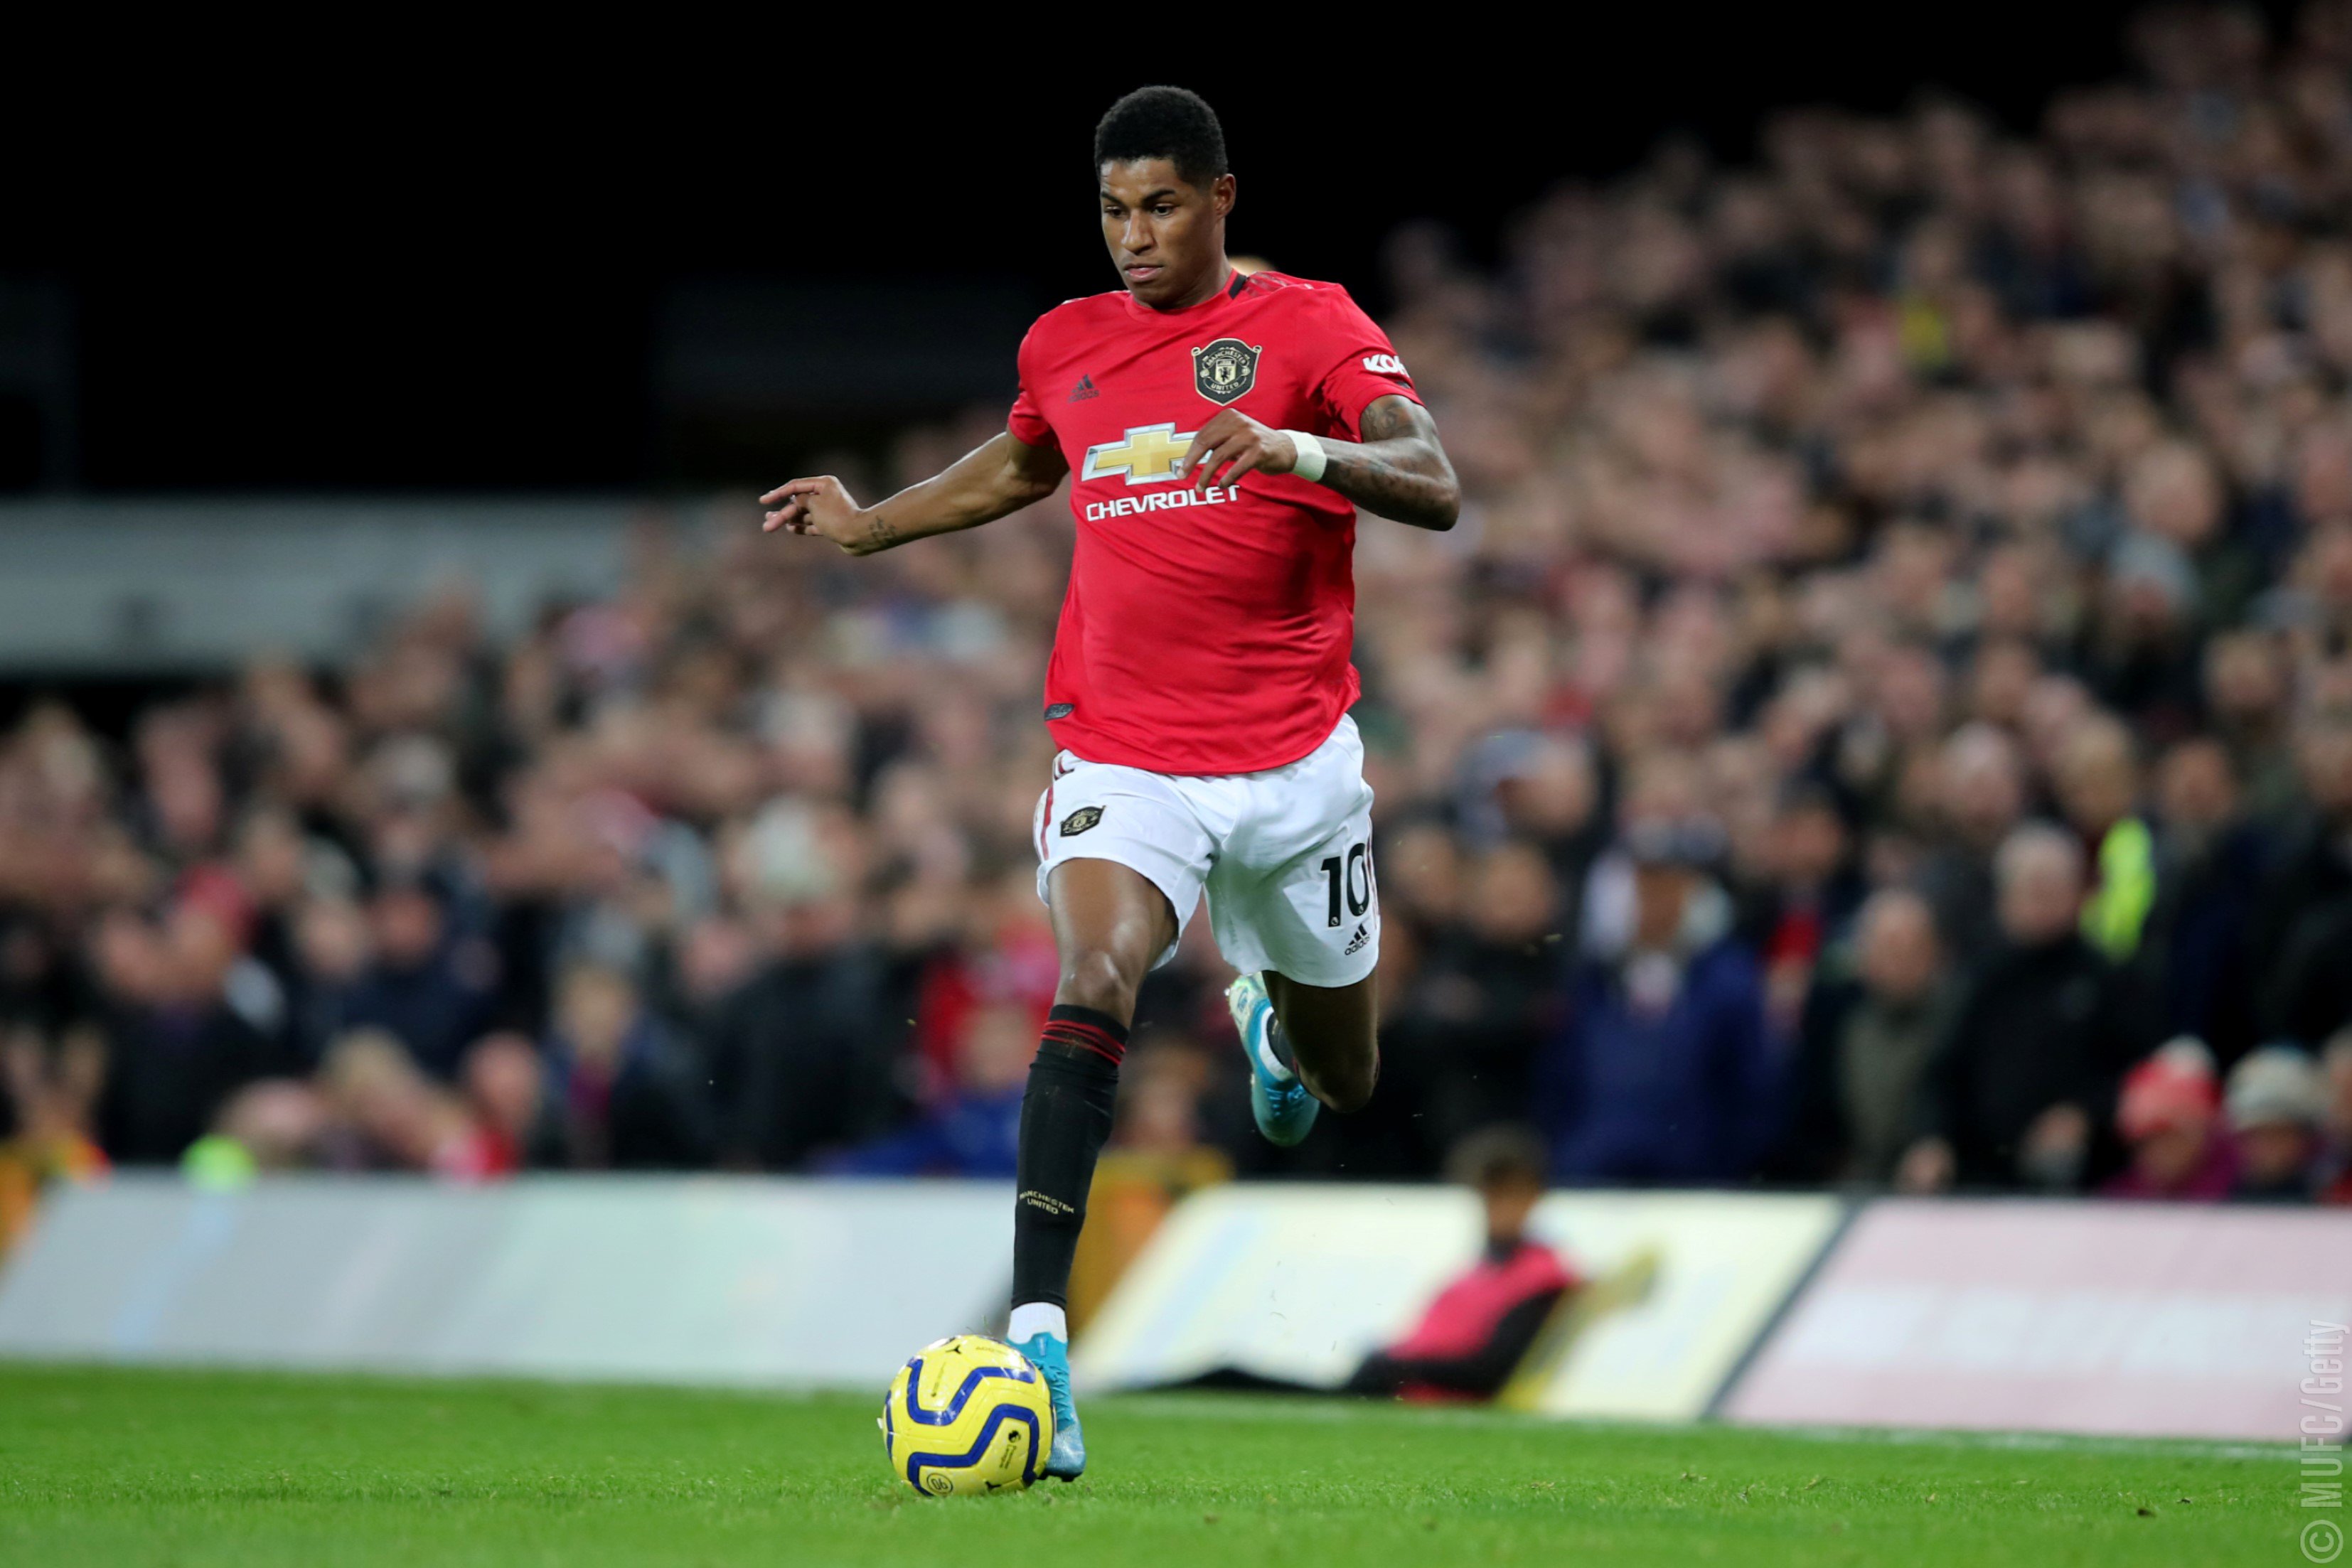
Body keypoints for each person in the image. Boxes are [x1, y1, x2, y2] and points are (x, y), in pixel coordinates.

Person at [759, 86, 1460, 1478]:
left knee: (1345, 1074)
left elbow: (1432, 480)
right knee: (1093, 978)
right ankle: (1040, 1346)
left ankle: (1273, 1029)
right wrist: (871, 526)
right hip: (1125, 753)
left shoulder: (1311, 325)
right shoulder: (1066, 342)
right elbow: (1025, 458)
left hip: (1295, 767)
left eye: (1158, 207)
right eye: (1111, 210)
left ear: (1220, 200)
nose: (1132, 237)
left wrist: (1298, 447)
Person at [1158, 1127, 1576, 1402]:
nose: (1499, 1209)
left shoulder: (1541, 1277)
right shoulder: (1487, 1268)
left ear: (1534, 1197)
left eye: (1511, 1196)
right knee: (1231, 1375)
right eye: (1492, 1195)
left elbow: (1490, 1370)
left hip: (1406, 1393)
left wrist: (1396, 1366)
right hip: (1395, 1384)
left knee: (1232, 1378)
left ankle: (1119, 1397)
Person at [1900, 823, 2157, 1193]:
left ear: (2078, 894)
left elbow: (2140, 1074)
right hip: (1983, 1181)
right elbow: (1941, 1073)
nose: (2040, 904)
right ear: (2004, 897)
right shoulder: (1979, 978)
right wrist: (1931, 1139)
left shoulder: (2108, 978)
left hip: (2089, 1183)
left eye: (2051, 890)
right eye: (2029, 890)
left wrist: (2086, 1115)